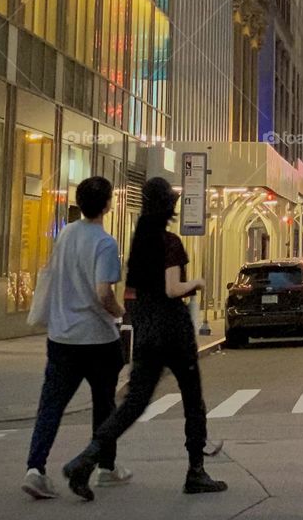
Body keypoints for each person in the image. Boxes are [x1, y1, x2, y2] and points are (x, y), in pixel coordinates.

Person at [63, 177, 226, 501]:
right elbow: (172, 289)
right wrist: (196, 282)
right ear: (169, 204)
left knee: (134, 402)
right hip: (173, 330)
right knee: (193, 399)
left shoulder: (139, 242)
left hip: (147, 328)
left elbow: (135, 290)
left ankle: (87, 458)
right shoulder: (170, 242)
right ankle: (196, 471)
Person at [22, 177, 129, 500]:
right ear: (108, 204)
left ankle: (35, 468)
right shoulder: (106, 243)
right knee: (104, 405)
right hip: (97, 338)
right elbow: (102, 292)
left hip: (61, 336)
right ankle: (105, 467)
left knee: (51, 405)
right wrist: (118, 312)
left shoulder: (65, 235)